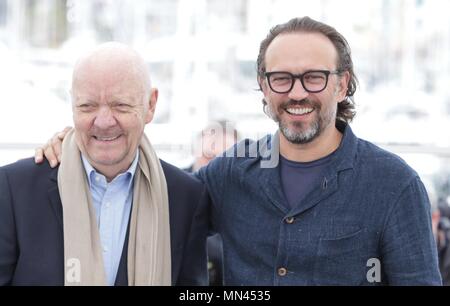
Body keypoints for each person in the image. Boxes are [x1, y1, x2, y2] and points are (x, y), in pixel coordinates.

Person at [36, 17, 441, 285]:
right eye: (281, 78)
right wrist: (79, 146)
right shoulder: (229, 173)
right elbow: (151, 195)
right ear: (264, 88)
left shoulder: (394, 185)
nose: (297, 92)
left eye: (314, 78)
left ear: (341, 84)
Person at [0, 42, 209, 286]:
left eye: (120, 105)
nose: (103, 121)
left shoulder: (185, 198)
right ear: (72, 105)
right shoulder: (14, 189)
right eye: (87, 106)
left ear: (150, 105)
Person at [184, 121, 239, 286]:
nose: (212, 168)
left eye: (221, 160)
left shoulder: (247, 199)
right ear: (196, 148)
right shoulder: (170, 189)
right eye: (207, 155)